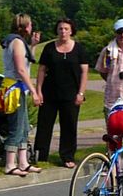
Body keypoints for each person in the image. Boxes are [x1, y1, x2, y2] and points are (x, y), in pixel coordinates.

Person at [34, 18, 89, 169]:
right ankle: (41, 155)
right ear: (56, 31)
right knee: (44, 125)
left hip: (71, 95)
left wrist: (81, 93)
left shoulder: (79, 49)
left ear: (71, 31)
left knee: (69, 126)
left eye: (66, 29)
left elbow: (84, 72)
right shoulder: (49, 48)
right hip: (50, 93)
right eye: (60, 29)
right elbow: (41, 70)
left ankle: (67, 156)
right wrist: (38, 91)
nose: (63, 31)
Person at [1, 13, 43, 177]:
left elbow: (27, 62)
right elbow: (21, 69)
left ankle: (23, 162)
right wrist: (34, 91)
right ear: (25, 27)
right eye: (30, 24)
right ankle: (10, 164)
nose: (31, 27)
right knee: (17, 126)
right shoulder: (17, 43)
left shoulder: (17, 42)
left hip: (17, 87)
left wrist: (33, 46)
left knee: (24, 126)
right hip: (14, 88)